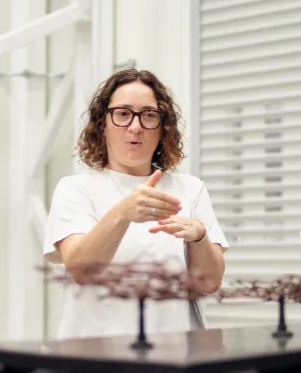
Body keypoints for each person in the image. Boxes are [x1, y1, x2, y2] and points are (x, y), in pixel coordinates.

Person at [42, 69, 228, 340]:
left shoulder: (190, 189)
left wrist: (199, 236)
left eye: (149, 115)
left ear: (163, 128)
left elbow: (210, 283)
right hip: (95, 355)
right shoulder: (76, 189)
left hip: (175, 354)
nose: (136, 126)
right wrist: (123, 213)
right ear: (102, 124)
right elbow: (81, 269)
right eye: (123, 113)